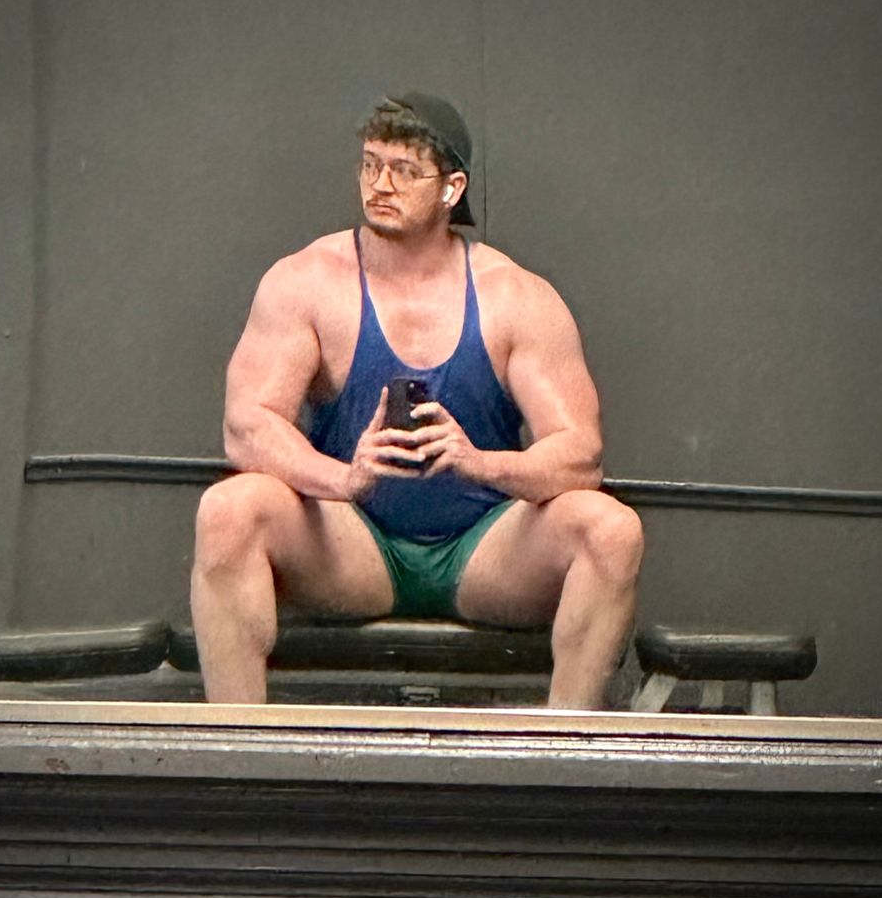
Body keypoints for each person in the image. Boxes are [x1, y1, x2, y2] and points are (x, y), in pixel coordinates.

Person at [191, 92, 644, 709]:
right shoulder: (307, 281)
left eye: (404, 171)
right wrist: (344, 477)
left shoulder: (516, 298)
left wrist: (476, 461)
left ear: (452, 188)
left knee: (612, 530)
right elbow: (247, 427)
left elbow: (580, 458)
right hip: (352, 549)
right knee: (228, 510)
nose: (380, 184)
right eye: (370, 165)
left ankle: (560, 758)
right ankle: (239, 754)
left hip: (484, 553)